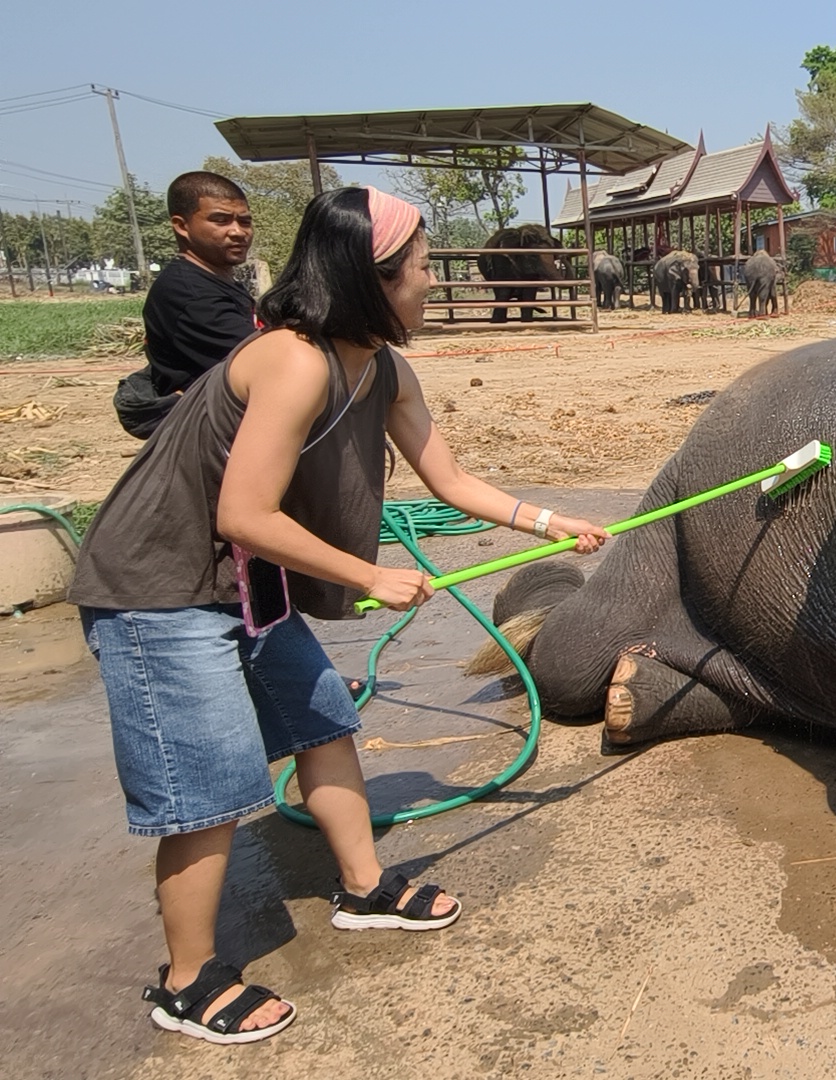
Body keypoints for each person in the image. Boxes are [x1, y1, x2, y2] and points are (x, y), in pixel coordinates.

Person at [69, 185, 610, 1045]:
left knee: (322, 720)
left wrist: (551, 522)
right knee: (211, 781)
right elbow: (244, 513)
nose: (432, 282)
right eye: (422, 267)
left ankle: (364, 889)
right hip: (160, 586)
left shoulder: (384, 367)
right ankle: (187, 981)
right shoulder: (293, 360)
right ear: (373, 277)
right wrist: (369, 574)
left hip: (246, 580)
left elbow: (450, 480)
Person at [112, 171, 260, 439]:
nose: (238, 232)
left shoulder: (214, 280)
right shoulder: (191, 294)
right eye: (220, 220)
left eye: (245, 221)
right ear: (182, 226)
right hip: (208, 435)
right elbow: (265, 360)